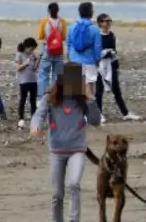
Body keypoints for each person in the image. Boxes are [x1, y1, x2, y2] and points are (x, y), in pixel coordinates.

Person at [31, 63, 101, 222]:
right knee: (57, 194)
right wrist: (36, 125)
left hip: (77, 149)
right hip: (57, 150)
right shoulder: (50, 97)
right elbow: (39, 114)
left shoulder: (82, 100)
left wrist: (90, 98)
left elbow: (95, 121)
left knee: (74, 184)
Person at [95, 13, 139, 122]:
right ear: (100, 23)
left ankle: (126, 113)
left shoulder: (111, 35)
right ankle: (99, 114)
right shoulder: (96, 36)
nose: (108, 23)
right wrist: (103, 54)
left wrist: (115, 63)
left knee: (116, 90)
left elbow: (114, 51)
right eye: (106, 21)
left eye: (109, 21)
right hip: (100, 66)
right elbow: (95, 53)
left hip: (111, 65)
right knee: (99, 91)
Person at [64, 2, 103, 90]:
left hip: (74, 61)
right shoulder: (94, 29)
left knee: (74, 90)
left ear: (79, 12)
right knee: (90, 91)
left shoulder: (72, 27)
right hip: (89, 62)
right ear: (91, 13)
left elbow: (68, 44)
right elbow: (97, 47)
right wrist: (97, 60)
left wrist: (69, 58)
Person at [35, 2, 69, 95]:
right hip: (59, 49)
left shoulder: (44, 21)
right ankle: (55, 97)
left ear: (48, 10)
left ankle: (43, 98)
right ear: (58, 10)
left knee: (44, 74)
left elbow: (40, 36)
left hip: (47, 48)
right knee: (57, 75)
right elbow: (63, 37)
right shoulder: (62, 21)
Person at [15, 37, 41, 127]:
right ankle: (21, 118)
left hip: (33, 80)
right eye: (31, 49)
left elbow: (34, 68)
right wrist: (26, 62)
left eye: (33, 49)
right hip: (24, 81)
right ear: (26, 47)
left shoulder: (32, 55)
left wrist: (38, 60)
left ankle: (34, 118)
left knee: (33, 100)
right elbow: (18, 68)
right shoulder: (20, 54)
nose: (32, 51)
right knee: (23, 99)